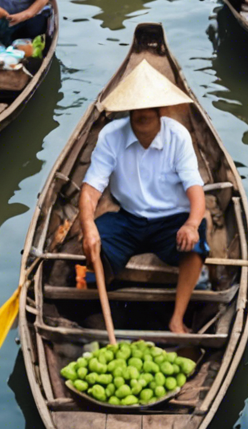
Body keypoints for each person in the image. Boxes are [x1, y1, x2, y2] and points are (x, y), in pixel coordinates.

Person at [78, 61, 209, 336]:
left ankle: (177, 319)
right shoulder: (111, 136)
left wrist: (192, 224)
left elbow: (195, 188)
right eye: (136, 107)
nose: (143, 113)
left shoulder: (178, 136)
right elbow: (91, 190)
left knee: (196, 243)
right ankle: (105, 306)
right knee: (92, 244)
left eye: (149, 106)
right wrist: (88, 227)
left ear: (161, 109)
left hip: (171, 220)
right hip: (129, 218)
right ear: (128, 110)